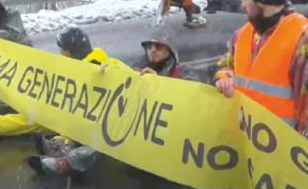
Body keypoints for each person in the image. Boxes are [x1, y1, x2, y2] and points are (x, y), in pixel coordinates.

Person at [213, 0, 308, 189]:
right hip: (241, 157)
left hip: (278, 167)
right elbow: (224, 66)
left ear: (262, 1)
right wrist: (224, 77)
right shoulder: (243, 34)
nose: (243, 5)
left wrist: (302, 174)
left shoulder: (307, 45)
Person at [28, 30, 197, 176]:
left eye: (158, 47)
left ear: (170, 51)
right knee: (106, 114)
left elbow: (190, 103)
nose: (152, 51)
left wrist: (158, 83)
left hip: (165, 135)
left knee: (114, 130)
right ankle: (67, 146)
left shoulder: (184, 73)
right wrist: (108, 75)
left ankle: (69, 163)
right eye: (149, 47)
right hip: (139, 124)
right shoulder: (139, 68)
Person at [0, 26, 101, 141]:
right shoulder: (71, 64)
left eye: (62, 50)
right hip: (60, 108)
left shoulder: (101, 65)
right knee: (21, 112)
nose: (60, 53)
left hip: (79, 118)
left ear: (69, 51)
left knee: (27, 121)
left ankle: (61, 145)